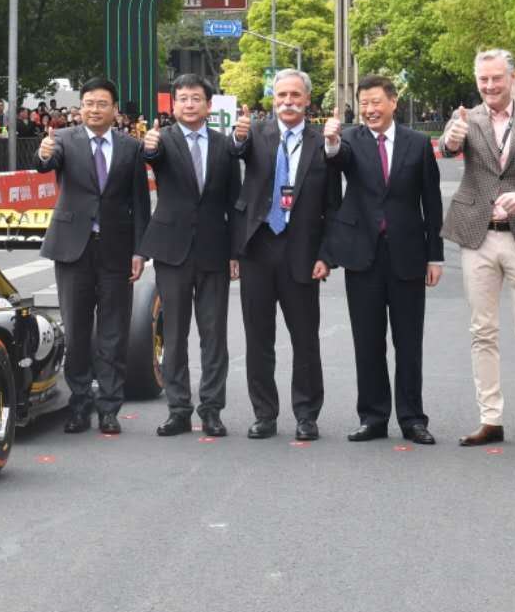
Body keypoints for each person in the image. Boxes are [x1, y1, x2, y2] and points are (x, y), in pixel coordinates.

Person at [438, 49, 515, 450]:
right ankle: (490, 418)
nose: (489, 86)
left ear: (512, 78)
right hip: (478, 235)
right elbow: (449, 147)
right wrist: (451, 139)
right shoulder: (465, 119)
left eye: (496, 78)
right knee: (482, 331)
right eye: (483, 80)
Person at [319, 74, 443, 445]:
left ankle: (412, 418)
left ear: (393, 102)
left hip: (407, 254)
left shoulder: (417, 143)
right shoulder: (350, 140)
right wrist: (330, 142)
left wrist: (435, 257)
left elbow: (431, 202)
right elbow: (337, 159)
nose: (370, 110)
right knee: (367, 340)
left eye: (376, 102)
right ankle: (372, 417)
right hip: (363, 255)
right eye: (364, 104)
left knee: (409, 342)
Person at [35, 77, 151, 436]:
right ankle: (79, 405)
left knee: (114, 332)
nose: (94, 109)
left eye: (102, 104)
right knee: (77, 331)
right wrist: (43, 154)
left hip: (117, 249)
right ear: (81, 107)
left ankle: (109, 408)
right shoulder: (63, 140)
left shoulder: (131, 148)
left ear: (114, 109)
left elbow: (140, 202)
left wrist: (140, 250)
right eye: (88, 103)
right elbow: (46, 162)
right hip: (73, 248)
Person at [229, 68, 336, 442]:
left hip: (301, 251)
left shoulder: (323, 142)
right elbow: (237, 151)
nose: (288, 102)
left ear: (307, 100)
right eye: (281, 96)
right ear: (272, 100)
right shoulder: (255, 133)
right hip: (258, 248)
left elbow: (333, 205)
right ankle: (264, 414)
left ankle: (307, 415)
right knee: (258, 338)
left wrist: (327, 255)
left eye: (295, 95)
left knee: (305, 338)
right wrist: (238, 135)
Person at [137, 74, 237, 439]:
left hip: (214, 249)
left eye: (196, 98)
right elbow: (150, 156)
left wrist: (236, 251)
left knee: (214, 336)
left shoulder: (225, 144)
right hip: (171, 250)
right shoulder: (161, 140)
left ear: (209, 105)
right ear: (174, 105)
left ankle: (212, 410)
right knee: (174, 335)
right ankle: (178, 409)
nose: (189, 104)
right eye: (183, 98)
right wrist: (149, 147)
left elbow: (234, 200)